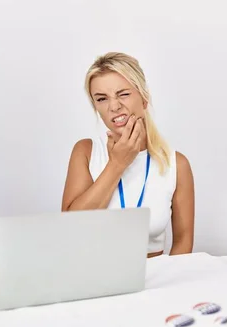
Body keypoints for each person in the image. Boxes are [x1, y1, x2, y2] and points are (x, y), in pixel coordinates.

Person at [61, 52, 194, 258]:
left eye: (123, 94)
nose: (113, 106)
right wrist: (117, 164)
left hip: (156, 281)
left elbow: (183, 243)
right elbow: (70, 228)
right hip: (96, 281)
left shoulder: (176, 164)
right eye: (102, 99)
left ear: (144, 98)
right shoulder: (85, 152)